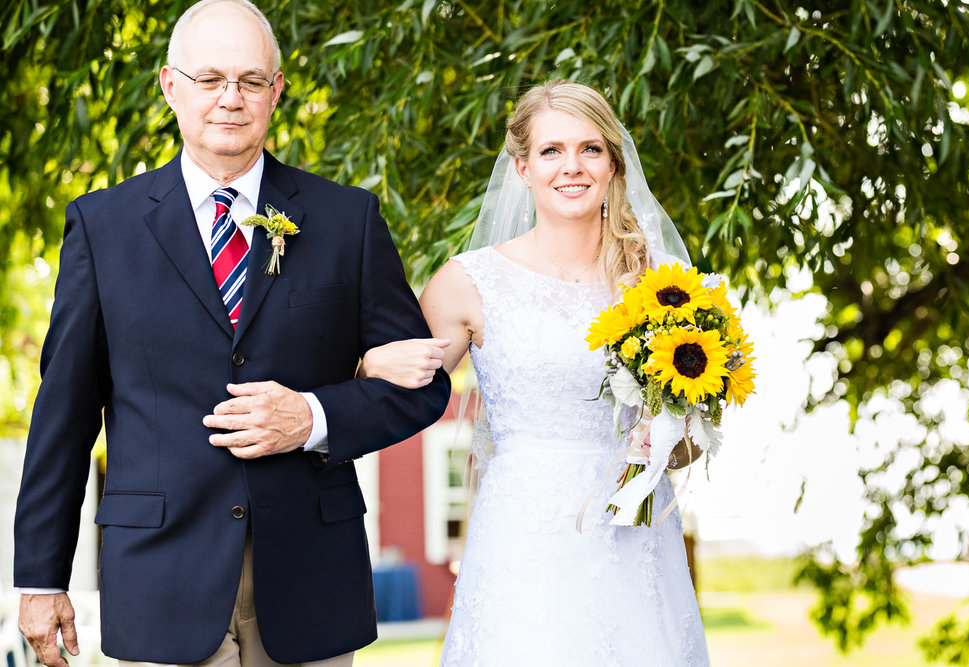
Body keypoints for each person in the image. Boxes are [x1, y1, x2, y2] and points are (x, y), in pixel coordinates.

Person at [13, 1, 450, 665]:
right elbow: (65, 412)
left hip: (309, 578)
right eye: (210, 78)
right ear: (170, 86)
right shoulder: (103, 228)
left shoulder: (346, 220)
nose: (230, 98)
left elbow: (423, 385)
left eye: (250, 80)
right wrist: (42, 577)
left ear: (277, 91)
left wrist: (312, 416)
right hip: (162, 578)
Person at [360, 81, 711, 665]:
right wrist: (368, 361)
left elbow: (690, 437)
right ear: (521, 166)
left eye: (590, 149)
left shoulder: (662, 283)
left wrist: (668, 440)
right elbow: (395, 397)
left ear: (612, 161)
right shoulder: (470, 282)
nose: (571, 167)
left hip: (636, 539)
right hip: (524, 539)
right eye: (551, 151)